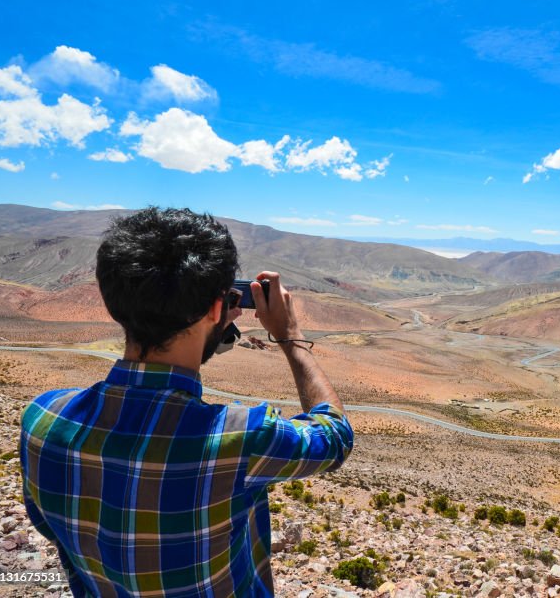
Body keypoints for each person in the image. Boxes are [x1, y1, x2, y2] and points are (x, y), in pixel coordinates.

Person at [19, 207, 353, 597]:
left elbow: (49, 528)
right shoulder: (239, 437)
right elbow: (333, 435)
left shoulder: (42, 418)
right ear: (217, 307)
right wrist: (289, 335)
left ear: (113, 303)